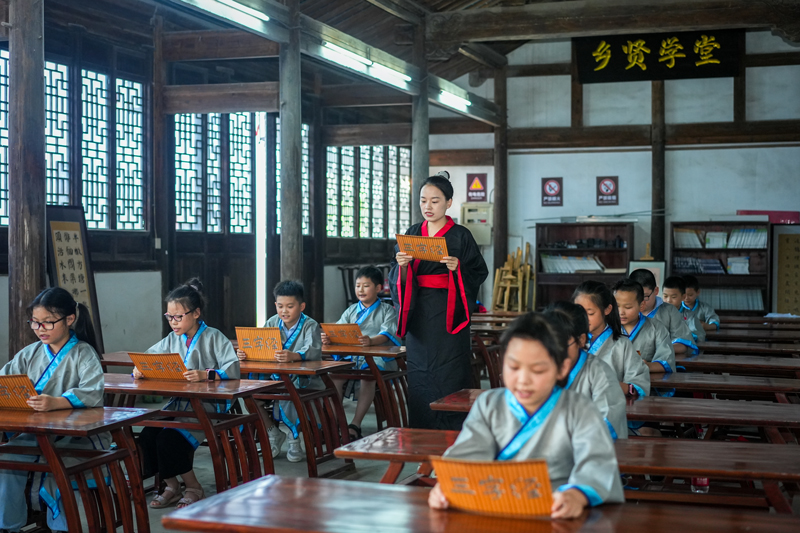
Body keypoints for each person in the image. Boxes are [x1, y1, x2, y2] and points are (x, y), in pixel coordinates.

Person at [428, 313, 624, 518]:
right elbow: (467, 453)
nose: (523, 380)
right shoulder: (488, 404)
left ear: (562, 368)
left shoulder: (580, 409)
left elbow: (596, 462)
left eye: (537, 370)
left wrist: (577, 494)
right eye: (513, 367)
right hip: (493, 508)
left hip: (556, 509)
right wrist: (448, 486)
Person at [389, 172, 488, 430]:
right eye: (423, 200)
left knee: (449, 373)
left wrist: (458, 268)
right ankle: (421, 435)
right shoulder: (413, 233)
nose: (428, 206)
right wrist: (402, 266)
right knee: (419, 374)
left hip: (449, 314)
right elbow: (397, 277)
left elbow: (479, 271)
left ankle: (453, 432)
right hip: (418, 313)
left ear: (448, 202)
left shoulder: (461, 235)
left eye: (435, 201)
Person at [0, 288, 104, 532]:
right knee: (6, 459)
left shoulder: (84, 353)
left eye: (48, 322)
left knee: (58, 466)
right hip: (35, 433)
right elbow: (5, 381)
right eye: (35, 322)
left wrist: (57, 402)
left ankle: (62, 528)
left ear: (69, 319)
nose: (40, 329)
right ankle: (8, 525)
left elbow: (93, 392)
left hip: (76, 436)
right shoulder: (30, 352)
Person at [136, 278, 240, 509]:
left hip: (208, 405)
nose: (173, 322)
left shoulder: (214, 336)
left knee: (170, 439)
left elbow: (233, 368)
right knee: (148, 436)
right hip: (178, 404)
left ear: (196, 313)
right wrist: (140, 368)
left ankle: (194, 487)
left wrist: (207, 374)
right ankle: (172, 486)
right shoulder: (172, 339)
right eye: (169, 317)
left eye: (178, 317)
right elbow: (149, 357)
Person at [237, 280, 322, 462]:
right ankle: (273, 432)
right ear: (275, 305)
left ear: (302, 306)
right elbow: (259, 345)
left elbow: (314, 350)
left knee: (290, 392)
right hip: (274, 377)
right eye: (280, 306)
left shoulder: (310, 325)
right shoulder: (272, 322)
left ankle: (294, 439)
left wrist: (295, 356)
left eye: (290, 306)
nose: (284, 311)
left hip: (302, 379)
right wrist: (245, 353)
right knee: (250, 394)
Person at [324, 266, 401, 440]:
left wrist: (371, 341)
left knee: (368, 376)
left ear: (378, 288)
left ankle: (355, 424)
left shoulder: (387, 310)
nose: (361, 290)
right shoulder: (351, 310)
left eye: (366, 286)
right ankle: (335, 422)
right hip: (353, 356)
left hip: (379, 357)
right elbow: (339, 330)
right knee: (334, 376)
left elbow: (388, 333)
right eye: (358, 285)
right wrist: (329, 338)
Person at [544, 302, 628, 440]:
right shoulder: (537, 368)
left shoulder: (600, 373)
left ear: (581, 340)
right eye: (548, 342)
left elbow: (608, 420)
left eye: (562, 343)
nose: (555, 350)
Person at [572, 281, 649, 400]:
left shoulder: (622, 344)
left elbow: (638, 386)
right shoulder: (569, 342)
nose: (583, 318)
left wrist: (613, 385)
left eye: (590, 313)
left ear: (607, 310)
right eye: (578, 312)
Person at [612, 279, 675, 374]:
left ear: (641, 305)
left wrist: (647, 365)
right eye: (617, 306)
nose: (621, 312)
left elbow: (667, 362)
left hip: (646, 381)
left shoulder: (656, 328)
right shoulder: (607, 328)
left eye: (628, 307)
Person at [629, 269, 697, 355]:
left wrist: (657, 349)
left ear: (656, 291)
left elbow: (683, 344)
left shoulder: (670, 311)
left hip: (661, 360)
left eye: (645, 296)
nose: (640, 301)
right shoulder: (622, 313)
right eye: (635, 296)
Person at [661, 276, 702, 342]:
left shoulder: (690, 316)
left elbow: (697, 336)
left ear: (683, 297)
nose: (668, 300)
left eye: (673, 297)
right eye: (665, 296)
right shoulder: (657, 314)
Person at [681, 274, 720, 342]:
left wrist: (706, 326)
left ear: (698, 292)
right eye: (683, 295)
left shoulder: (705, 308)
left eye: (690, 295)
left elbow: (715, 323)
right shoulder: (676, 308)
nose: (686, 298)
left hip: (701, 341)